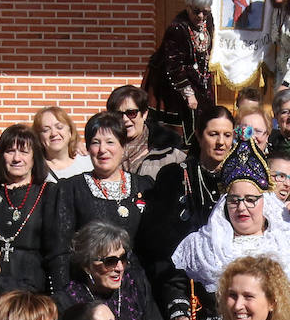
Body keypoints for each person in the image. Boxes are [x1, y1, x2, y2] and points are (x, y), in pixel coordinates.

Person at [168, 136, 290, 320]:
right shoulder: (203, 245)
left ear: (266, 202)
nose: (241, 208)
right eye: (234, 200)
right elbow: (175, 285)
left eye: (250, 199)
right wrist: (182, 317)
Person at [140, 106, 235, 317]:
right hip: (183, 283)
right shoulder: (175, 176)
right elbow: (158, 240)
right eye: (213, 134)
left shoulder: (239, 182)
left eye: (227, 135)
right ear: (200, 137)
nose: (221, 142)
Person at [0, 123, 69, 294]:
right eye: (10, 151)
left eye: (24, 152)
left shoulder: (50, 193)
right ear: (1, 155)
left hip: (34, 291)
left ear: (34, 156)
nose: (16, 158)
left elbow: (59, 251)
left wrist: (60, 297)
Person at [63, 112, 152, 242]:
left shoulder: (145, 186)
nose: (102, 149)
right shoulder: (70, 189)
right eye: (95, 142)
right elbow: (60, 248)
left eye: (110, 142)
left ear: (123, 147)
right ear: (88, 148)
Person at [142, 0, 216, 132]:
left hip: (199, 76)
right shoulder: (177, 28)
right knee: (182, 124)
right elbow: (174, 65)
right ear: (188, 7)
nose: (201, 16)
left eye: (205, 12)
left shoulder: (208, 21)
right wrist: (188, 94)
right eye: (196, 12)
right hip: (172, 82)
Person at [108, 84, 186, 181]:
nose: (125, 119)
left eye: (131, 113)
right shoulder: (102, 153)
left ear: (144, 114)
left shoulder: (172, 155)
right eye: (118, 114)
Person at [33, 106, 91, 179]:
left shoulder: (89, 164)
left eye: (59, 127)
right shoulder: (34, 170)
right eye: (46, 130)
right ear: (38, 137)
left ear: (70, 131)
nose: (53, 133)